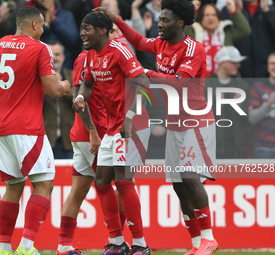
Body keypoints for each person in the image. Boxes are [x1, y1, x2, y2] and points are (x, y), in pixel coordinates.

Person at [95, 0, 219, 254]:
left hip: (196, 121)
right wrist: (116, 19)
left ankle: (209, 237)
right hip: (174, 123)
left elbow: (179, 84)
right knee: (177, 184)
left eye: (164, 20)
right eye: (160, 19)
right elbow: (140, 42)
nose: (159, 24)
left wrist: (146, 74)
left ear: (180, 23)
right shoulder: (161, 43)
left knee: (189, 176)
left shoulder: (194, 49)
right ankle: (196, 243)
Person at [0, 6, 71, 255]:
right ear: (36, 25)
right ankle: (27, 246)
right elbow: (53, 90)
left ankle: (5, 247)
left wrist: (10, 91)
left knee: (13, 187)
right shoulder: (39, 48)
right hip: (28, 128)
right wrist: (67, 86)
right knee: (45, 184)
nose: (44, 30)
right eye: (43, 25)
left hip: (1, 129)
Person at [74, 11, 151, 255]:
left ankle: (140, 244)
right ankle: (117, 241)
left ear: (103, 31)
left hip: (132, 125)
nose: (82, 33)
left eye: (87, 29)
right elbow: (87, 84)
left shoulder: (120, 50)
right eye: (82, 28)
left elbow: (143, 83)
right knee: (102, 181)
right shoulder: (92, 57)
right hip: (112, 127)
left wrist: (129, 118)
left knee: (123, 180)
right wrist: (79, 97)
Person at [57, 25, 129, 255]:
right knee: (123, 186)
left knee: (78, 190)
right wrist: (93, 132)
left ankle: (64, 245)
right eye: (114, 31)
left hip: (91, 135)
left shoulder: (113, 57)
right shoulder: (85, 59)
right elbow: (79, 98)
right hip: (95, 136)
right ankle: (116, 241)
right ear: (104, 33)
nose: (117, 35)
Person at [205, 46, 250, 159]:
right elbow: (199, 118)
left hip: (238, 149)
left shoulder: (242, 86)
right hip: (213, 149)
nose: (238, 65)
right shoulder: (206, 85)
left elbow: (248, 120)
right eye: (234, 62)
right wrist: (215, 104)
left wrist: (238, 107)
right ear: (223, 63)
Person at [185, 1, 251, 77]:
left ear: (219, 18)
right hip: (199, 82)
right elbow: (185, 29)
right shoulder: (194, 33)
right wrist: (193, 11)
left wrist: (233, 10)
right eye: (207, 15)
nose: (210, 18)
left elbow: (245, 31)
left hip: (225, 81)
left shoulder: (227, 33)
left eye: (214, 15)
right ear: (201, 19)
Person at [43, 40, 74, 159]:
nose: (54, 58)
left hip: (69, 141)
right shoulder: (36, 79)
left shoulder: (72, 76)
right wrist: (49, 87)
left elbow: (81, 102)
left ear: (63, 57)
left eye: (57, 55)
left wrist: (62, 88)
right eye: (50, 55)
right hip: (46, 141)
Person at [237, 0, 275, 78]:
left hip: (266, 70)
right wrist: (237, 13)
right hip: (242, 69)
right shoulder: (232, 9)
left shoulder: (271, 10)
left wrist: (266, 11)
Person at [248, 52, 275, 158]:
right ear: (268, 67)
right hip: (262, 148)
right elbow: (252, 118)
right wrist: (268, 103)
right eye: (272, 64)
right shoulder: (258, 88)